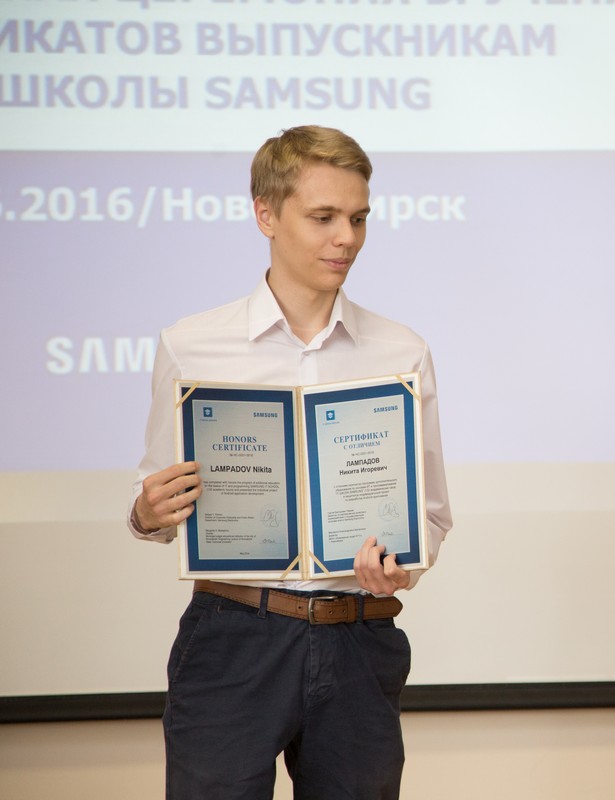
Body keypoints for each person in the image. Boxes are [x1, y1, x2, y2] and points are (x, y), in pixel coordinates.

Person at [127, 125, 453, 799]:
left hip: (359, 636)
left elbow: (430, 515)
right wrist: (147, 512)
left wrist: (402, 569)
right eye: (324, 217)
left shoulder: (402, 351)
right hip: (232, 639)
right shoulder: (192, 345)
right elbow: (156, 506)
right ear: (266, 214)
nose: (347, 238)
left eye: (359, 218)